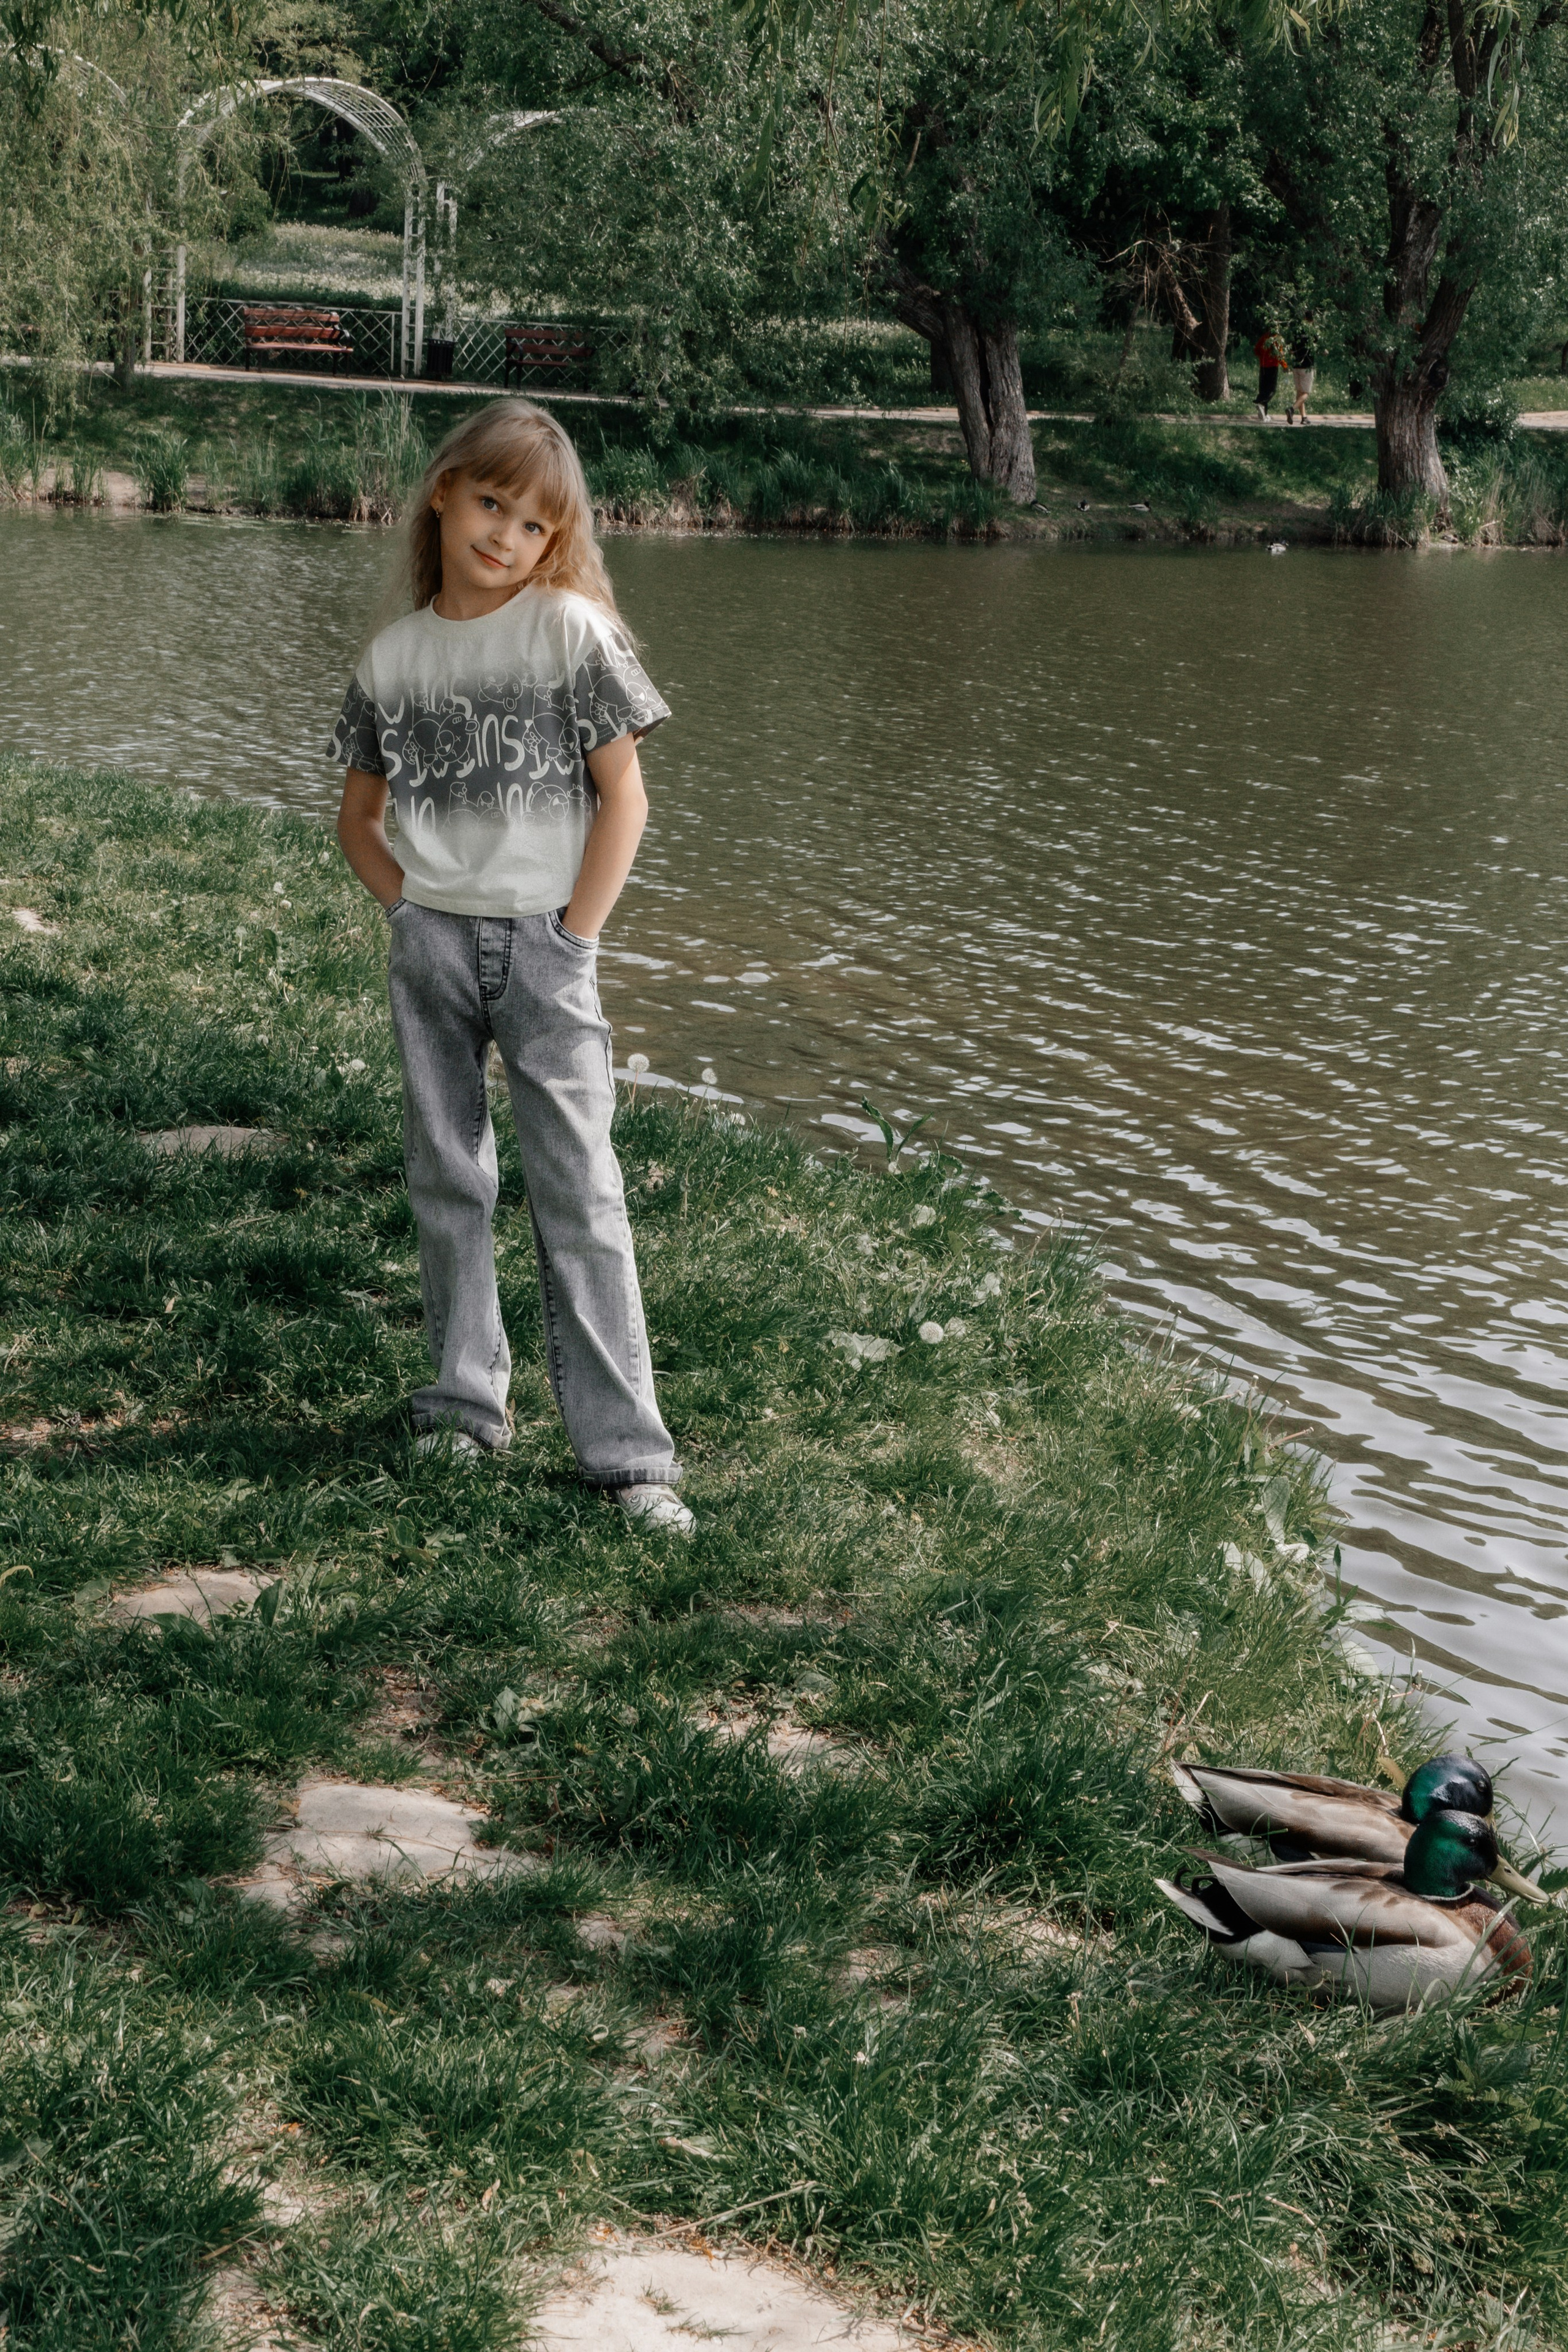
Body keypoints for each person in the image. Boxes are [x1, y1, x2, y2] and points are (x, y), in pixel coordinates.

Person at [330, 398, 692, 1534]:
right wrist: (412, 912)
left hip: (547, 944)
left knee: (578, 1188)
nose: (505, 536)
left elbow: (624, 794)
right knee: (449, 1176)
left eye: (534, 525)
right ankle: (461, 1408)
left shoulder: (570, 636)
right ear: (444, 490)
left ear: (553, 544)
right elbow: (357, 816)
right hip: (432, 940)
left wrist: (575, 933)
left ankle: (629, 1459)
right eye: (492, 503)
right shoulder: (392, 660)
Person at [1253, 326, 1287, 420]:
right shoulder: (1277, 339)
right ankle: (1262, 403)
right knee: (1272, 389)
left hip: (1263, 366)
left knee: (1263, 389)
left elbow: (1256, 350)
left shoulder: (1264, 337)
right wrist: (1285, 366)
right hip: (1272, 367)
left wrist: (1262, 358)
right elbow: (1280, 354)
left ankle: (1264, 413)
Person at [1291, 327, 1317, 425]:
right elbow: (1318, 347)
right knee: (1306, 393)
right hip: (1307, 366)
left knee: (1299, 392)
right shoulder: (1313, 331)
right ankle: (1292, 409)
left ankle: (1304, 417)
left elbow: (1291, 350)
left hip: (1296, 366)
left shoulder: (1296, 331)